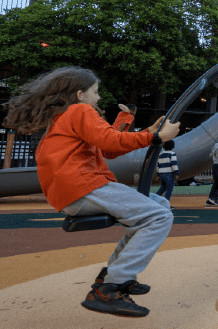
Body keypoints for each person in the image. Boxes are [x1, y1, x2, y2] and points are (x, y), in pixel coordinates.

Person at [2, 66, 179, 317]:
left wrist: (149, 132)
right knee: (160, 217)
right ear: (79, 94)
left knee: (159, 206)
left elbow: (108, 148)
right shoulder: (79, 110)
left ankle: (112, 275)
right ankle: (111, 287)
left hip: (76, 188)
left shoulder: (66, 116)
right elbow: (110, 142)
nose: (98, 98)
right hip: (83, 186)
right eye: (95, 92)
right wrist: (157, 138)